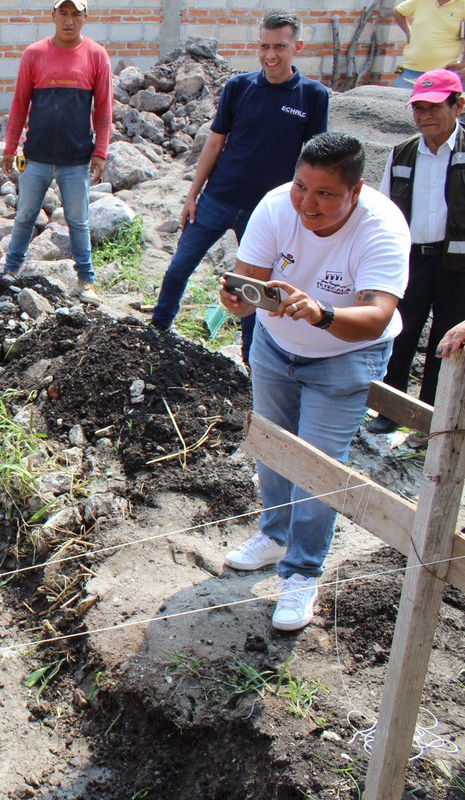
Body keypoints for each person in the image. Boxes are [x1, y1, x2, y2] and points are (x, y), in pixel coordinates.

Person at [219, 133, 409, 631]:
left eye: (325, 194)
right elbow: (248, 277)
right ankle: (274, 534)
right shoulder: (277, 205)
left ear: (356, 191)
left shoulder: (382, 228)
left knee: (319, 467)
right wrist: (239, 299)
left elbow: (375, 316)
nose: (307, 203)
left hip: (345, 356)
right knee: (274, 447)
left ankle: (302, 572)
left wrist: (322, 314)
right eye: (302, 186)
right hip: (275, 345)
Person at [151, 10, 329, 366]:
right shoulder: (239, 87)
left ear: (298, 46)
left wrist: (301, 211)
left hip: (266, 213)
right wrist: (192, 196)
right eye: (264, 46)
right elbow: (214, 144)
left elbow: (313, 162)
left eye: (280, 46)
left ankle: (251, 362)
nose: (270, 55)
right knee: (178, 268)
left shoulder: (313, 96)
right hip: (217, 198)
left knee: (254, 289)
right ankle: (156, 331)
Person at [367, 69, 465, 433]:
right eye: (418, 108)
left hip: (457, 265)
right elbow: (383, 210)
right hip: (412, 260)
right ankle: (390, 411)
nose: (423, 115)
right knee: (400, 331)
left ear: (458, 106)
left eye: (433, 106)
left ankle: (431, 420)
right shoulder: (403, 154)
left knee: (447, 341)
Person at [0, 0, 112, 304]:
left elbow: (102, 111)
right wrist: (10, 148)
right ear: (52, 16)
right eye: (63, 13)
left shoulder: (97, 56)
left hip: (76, 160)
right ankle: (10, 272)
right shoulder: (34, 54)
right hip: (36, 156)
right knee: (25, 216)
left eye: (75, 13)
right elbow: (20, 104)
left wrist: (100, 152)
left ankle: (86, 280)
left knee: (78, 220)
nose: (68, 20)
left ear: (86, 17)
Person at [391, 0, 465, 88]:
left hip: (444, 73)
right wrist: (408, 32)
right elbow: (398, 11)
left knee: (439, 101)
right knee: (400, 100)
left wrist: (463, 63)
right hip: (410, 70)